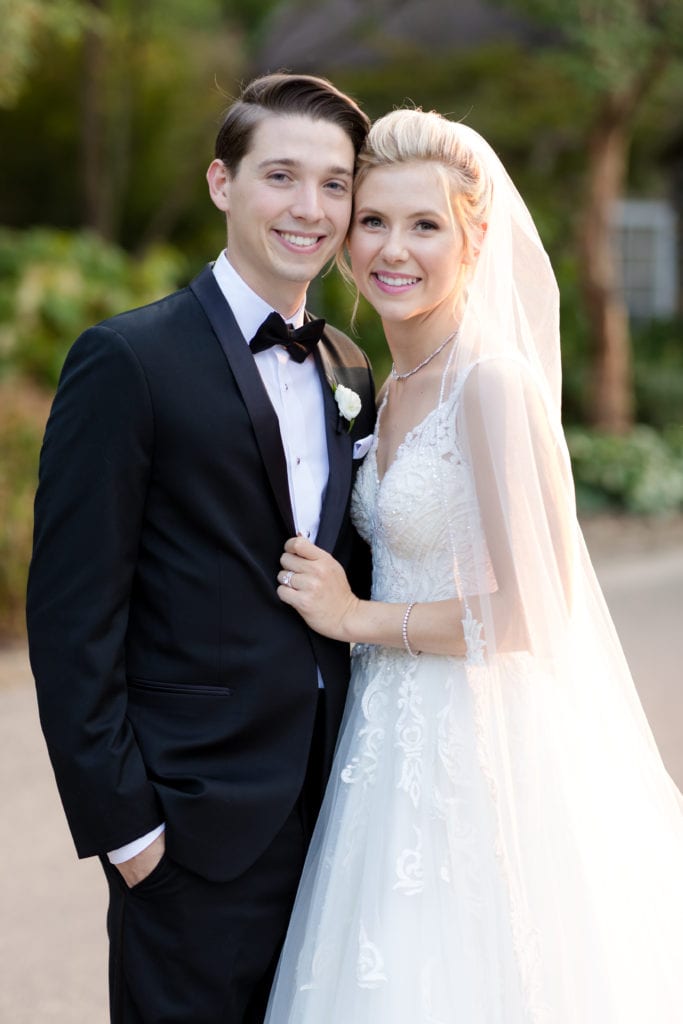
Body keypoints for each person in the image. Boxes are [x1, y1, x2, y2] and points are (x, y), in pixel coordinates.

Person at [265, 108, 683, 1023]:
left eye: (424, 225)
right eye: (373, 221)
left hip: (478, 741)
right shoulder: (387, 382)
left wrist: (355, 618)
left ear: (475, 237)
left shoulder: (492, 385)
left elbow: (535, 614)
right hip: (380, 745)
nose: (392, 250)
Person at [26, 72, 375, 1023]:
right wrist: (128, 829)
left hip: (339, 819)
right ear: (223, 183)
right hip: (190, 827)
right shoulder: (126, 360)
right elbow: (70, 615)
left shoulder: (350, 363)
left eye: (336, 184)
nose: (310, 209)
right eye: (282, 176)